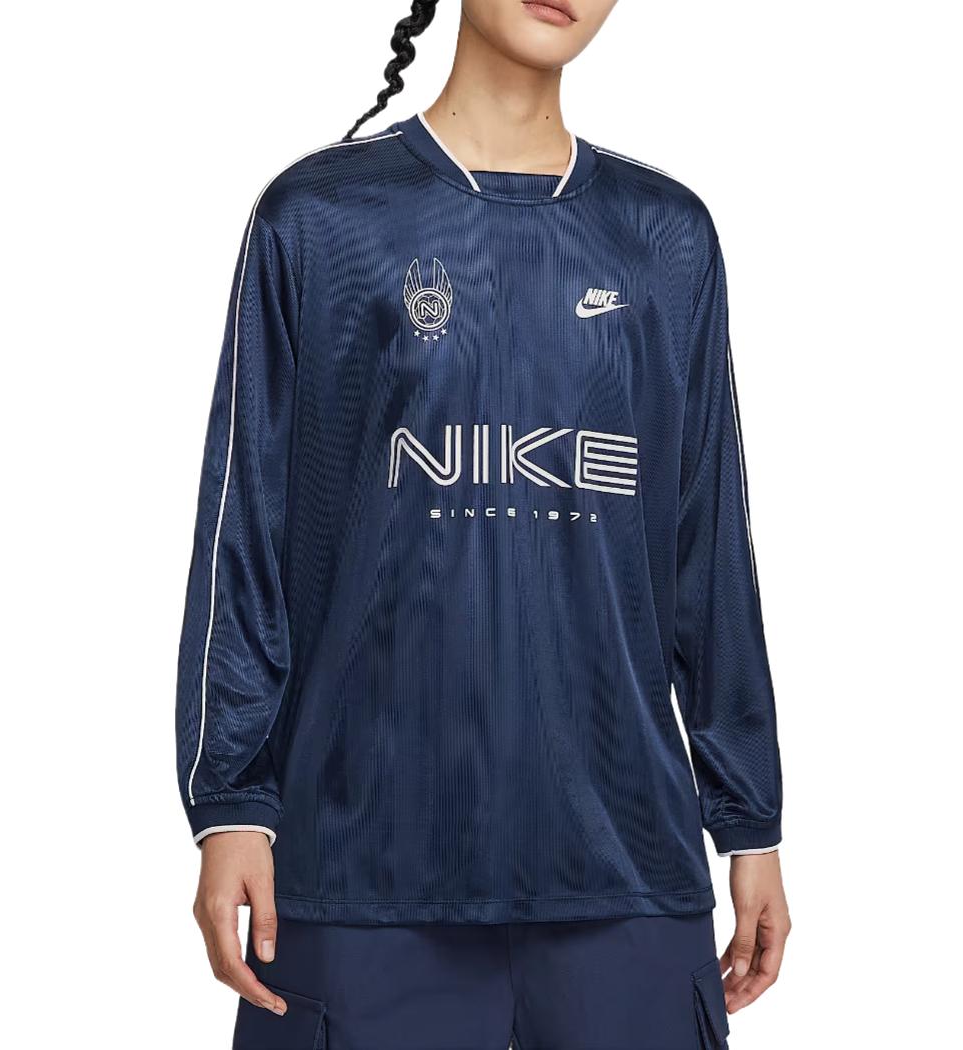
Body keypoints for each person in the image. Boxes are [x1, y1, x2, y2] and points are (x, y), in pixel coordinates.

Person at [176, 1, 791, 1046]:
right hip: (360, 869)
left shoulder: (666, 236)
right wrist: (231, 803)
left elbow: (709, 548)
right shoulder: (320, 220)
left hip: (627, 869)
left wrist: (751, 818)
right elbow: (248, 531)